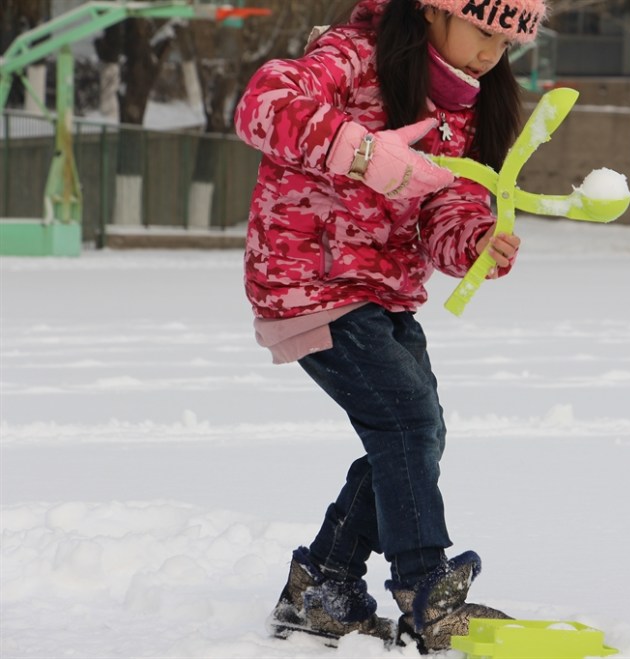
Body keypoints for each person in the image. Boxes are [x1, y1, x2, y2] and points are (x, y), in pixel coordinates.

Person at [232, 0, 546, 651]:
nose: (491, 53)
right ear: (432, 12)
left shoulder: (462, 106)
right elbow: (264, 104)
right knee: (405, 420)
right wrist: (361, 151)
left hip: (384, 294)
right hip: (305, 278)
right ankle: (426, 587)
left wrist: (477, 241)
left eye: (506, 42)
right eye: (483, 29)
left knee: (416, 430)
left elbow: (446, 210)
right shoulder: (351, 59)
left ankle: (323, 586)